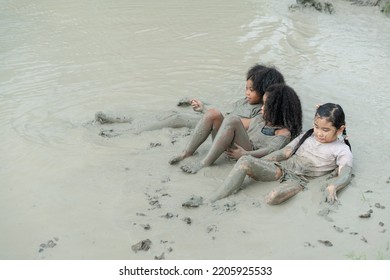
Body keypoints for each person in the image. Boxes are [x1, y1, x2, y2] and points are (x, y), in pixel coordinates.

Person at [207, 103, 352, 205]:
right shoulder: (307, 135)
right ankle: (214, 198)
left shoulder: (342, 149)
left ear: (339, 130)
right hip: (282, 168)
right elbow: (285, 152)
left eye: (325, 130)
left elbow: (345, 174)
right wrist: (260, 162)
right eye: (316, 126)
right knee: (245, 161)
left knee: (272, 197)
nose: (319, 133)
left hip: (299, 181)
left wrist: (333, 186)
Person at [95, 64, 284, 135]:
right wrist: (204, 105)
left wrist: (205, 112)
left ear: (265, 92)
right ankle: (124, 120)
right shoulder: (245, 102)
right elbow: (226, 110)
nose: (246, 93)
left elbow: (232, 120)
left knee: (176, 118)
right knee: (169, 114)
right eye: (246, 88)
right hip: (213, 119)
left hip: (216, 127)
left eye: (251, 90)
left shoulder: (259, 111)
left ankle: (127, 132)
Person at [171, 83, 303, 174]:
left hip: (246, 153)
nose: (262, 108)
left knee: (232, 119)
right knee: (214, 113)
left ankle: (204, 163)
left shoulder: (283, 133)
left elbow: (269, 151)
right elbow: (231, 120)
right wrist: (204, 109)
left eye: (266, 106)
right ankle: (186, 152)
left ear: (279, 111)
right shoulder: (259, 119)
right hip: (232, 147)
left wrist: (245, 154)